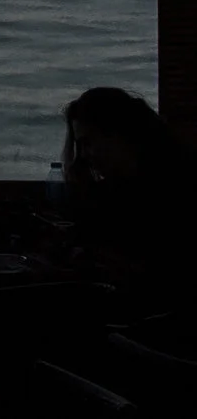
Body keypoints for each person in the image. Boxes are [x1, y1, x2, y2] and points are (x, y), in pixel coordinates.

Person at [56, 85, 195, 296]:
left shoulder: (174, 192)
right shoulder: (120, 188)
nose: (83, 154)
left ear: (118, 135)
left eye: (88, 143)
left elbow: (159, 271)